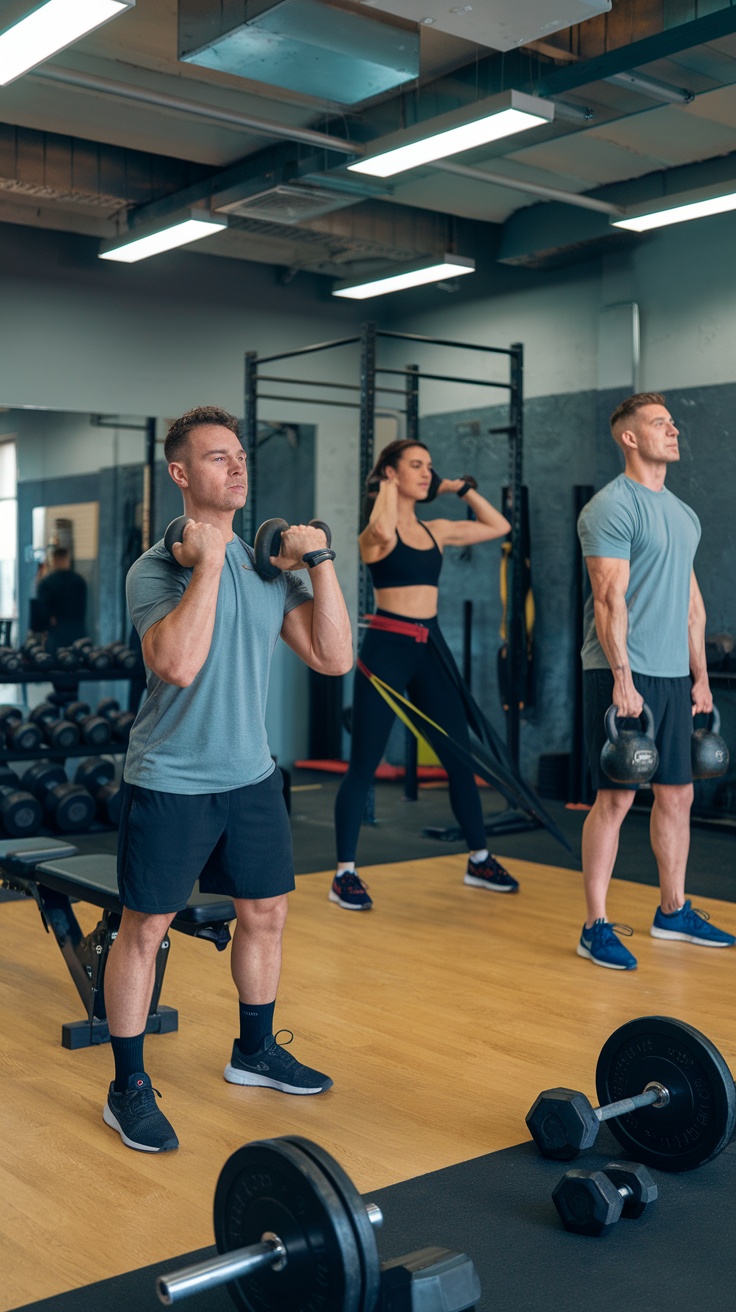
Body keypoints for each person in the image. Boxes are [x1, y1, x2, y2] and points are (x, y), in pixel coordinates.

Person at [102, 405, 353, 1153]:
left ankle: (253, 1050)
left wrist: (320, 561)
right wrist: (209, 561)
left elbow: (335, 658)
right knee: (144, 930)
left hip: (250, 775)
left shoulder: (267, 568)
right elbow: (175, 664)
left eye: (241, 455)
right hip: (171, 776)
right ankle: (127, 1087)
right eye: (218, 458)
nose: (238, 466)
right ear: (181, 474)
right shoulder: (154, 569)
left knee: (266, 914)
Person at [576, 391, 734, 970]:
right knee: (616, 798)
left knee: (680, 793)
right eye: (659, 423)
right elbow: (607, 597)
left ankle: (673, 910)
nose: (672, 431)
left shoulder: (683, 513)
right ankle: (595, 924)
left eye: (672, 423)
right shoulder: (611, 507)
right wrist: (622, 678)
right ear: (630, 437)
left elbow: (693, 606)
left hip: (673, 675)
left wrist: (702, 679)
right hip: (624, 671)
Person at [331, 438, 515, 912]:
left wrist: (461, 489)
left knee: (459, 758)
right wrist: (387, 487)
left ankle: (479, 859)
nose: (426, 472)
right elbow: (380, 525)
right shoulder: (376, 534)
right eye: (415, 465)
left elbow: (499, 525)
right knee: (364, 765)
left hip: (430, 647)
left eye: (429, 466)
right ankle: (344, 874)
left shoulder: (436, 530)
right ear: (390, 473)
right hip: (386, 649)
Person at [33, 546, 87, 655]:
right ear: (67, 560)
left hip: (57, 632)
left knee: (56, 665)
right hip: (78, 630)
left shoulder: (47, 583)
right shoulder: (79, 581)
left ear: (54, 560)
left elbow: (42, 610)